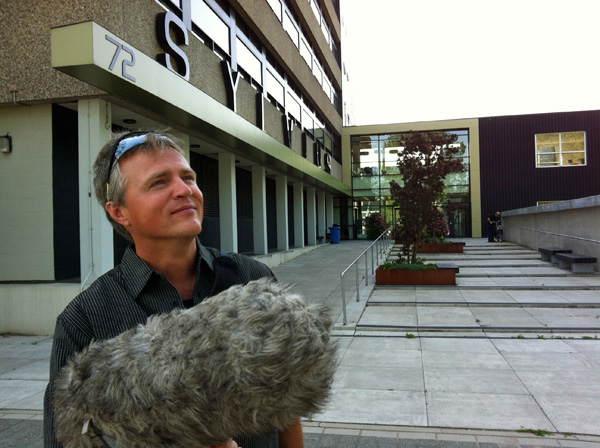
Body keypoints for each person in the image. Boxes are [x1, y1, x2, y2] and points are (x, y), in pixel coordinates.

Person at [44, 131, 304, 448]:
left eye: (188, 177)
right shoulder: (85, 322)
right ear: (119, 212)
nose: (184, 190)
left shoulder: (252, 278)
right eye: (159, 182)